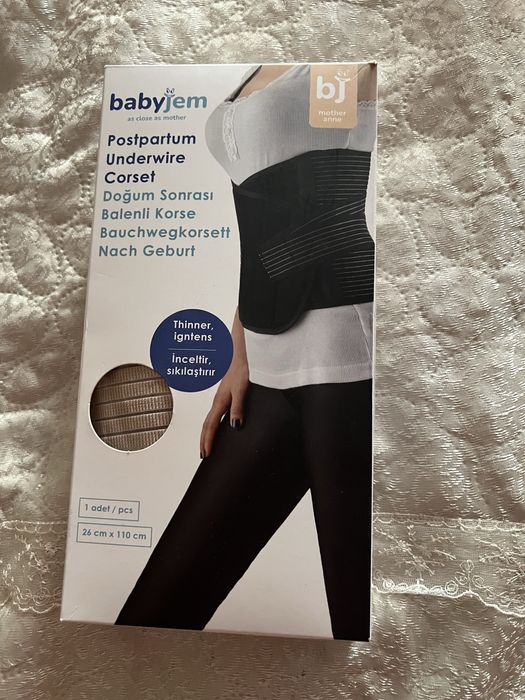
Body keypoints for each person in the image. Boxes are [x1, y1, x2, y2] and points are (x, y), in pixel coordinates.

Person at [116, 63, 377, 641]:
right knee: (151, 618)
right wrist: (240, 353)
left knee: (360, 630)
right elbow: (270, 233)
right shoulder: (258, 65)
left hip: (349, 363)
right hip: (267, 375)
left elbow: (332, 201)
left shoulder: (345, 62)